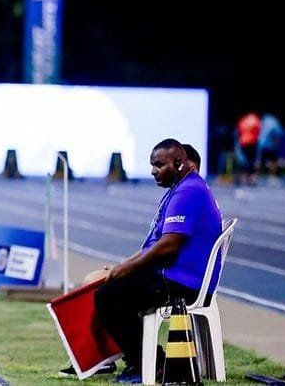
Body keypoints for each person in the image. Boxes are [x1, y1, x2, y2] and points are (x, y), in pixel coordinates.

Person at [92, 138, 222, 384]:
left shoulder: (189, 191)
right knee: (110, 288)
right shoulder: (182, 188)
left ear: (180, 163)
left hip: (182, 283)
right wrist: (124, 267)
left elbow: (169, 245)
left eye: (159, 165)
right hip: (175, 275)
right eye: (152, 165)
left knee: (107, 297)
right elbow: (156, 245)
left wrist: (128, 268)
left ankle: (151, 365)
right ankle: (141, 361)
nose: (153, 171)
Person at [235, 111, 261, 185]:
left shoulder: (243, 120)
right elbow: (258, 131)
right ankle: (250, 178)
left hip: (243, 142)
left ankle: (243, 177)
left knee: (245, 160)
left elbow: (239, 130)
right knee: (252, 160)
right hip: (252, 142)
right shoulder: (255, 119)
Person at [257, 113, 283, 184]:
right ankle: (272, 177)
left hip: (262, 144)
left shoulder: (264, 120)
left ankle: (256, 176)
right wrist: (276, 145)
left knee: (260, 161)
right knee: (274, 161)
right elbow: (277, 133)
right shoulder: (275, 122)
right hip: (270, 145)